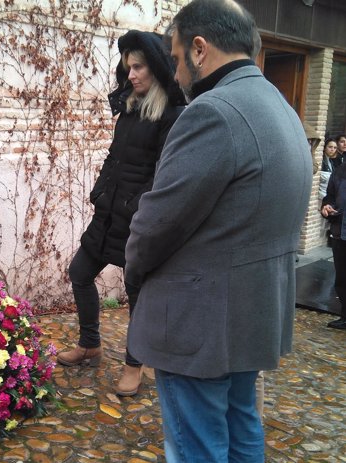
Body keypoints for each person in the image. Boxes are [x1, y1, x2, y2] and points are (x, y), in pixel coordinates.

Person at [124, 0, 312, 461]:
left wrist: (133, 272)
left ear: (200, 49)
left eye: (174, 57)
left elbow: (157, 223)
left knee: (197, 444)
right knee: (241, 422)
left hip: (200, 319)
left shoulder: (213, 112)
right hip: (252, 310)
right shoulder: (280, 107)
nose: (176, 72)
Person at [57, 30, 185, 397]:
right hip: (108, 215)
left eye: (139, 67)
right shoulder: (128, 110)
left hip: (139, 224)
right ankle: (90, 344)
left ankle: (134, 365)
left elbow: (165, 173)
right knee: (79, 272)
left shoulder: (174, 116)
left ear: (158, 68)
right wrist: (99, 191)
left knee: (137, 296)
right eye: (128, 67)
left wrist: (134, 207)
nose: (130, 75)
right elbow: (114, 158)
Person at [321, 163, 346, 329]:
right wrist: (327, 205)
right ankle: (345, 316)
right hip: (340, 232)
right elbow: (329, 195)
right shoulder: (340, 170)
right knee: (342, 279)